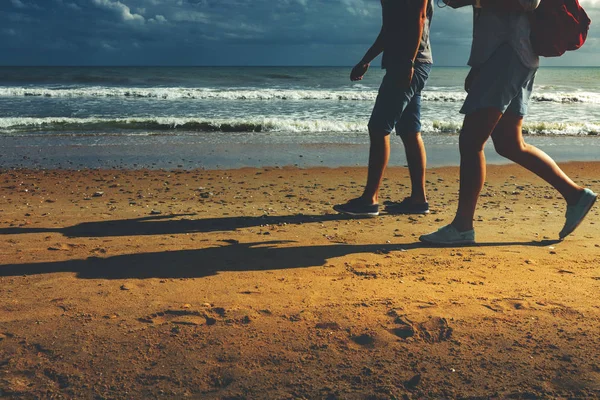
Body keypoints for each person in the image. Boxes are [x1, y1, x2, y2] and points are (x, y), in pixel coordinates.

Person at [420, 0, 597, 245]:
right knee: (508, 143)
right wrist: (478, 64)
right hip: (509, 54)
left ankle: (462, 227)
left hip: (509, 52)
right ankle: (575, 195)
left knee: (471, 141)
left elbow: (528, 2)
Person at [333, 0, 434, 217]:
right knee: (409, 132)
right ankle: (418, 200)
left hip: (408, 64)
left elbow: (419, 16)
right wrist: (366, 60)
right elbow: (389, 29)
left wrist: (408, 61)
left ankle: (370, 200)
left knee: (379, 128)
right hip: (411, 63)